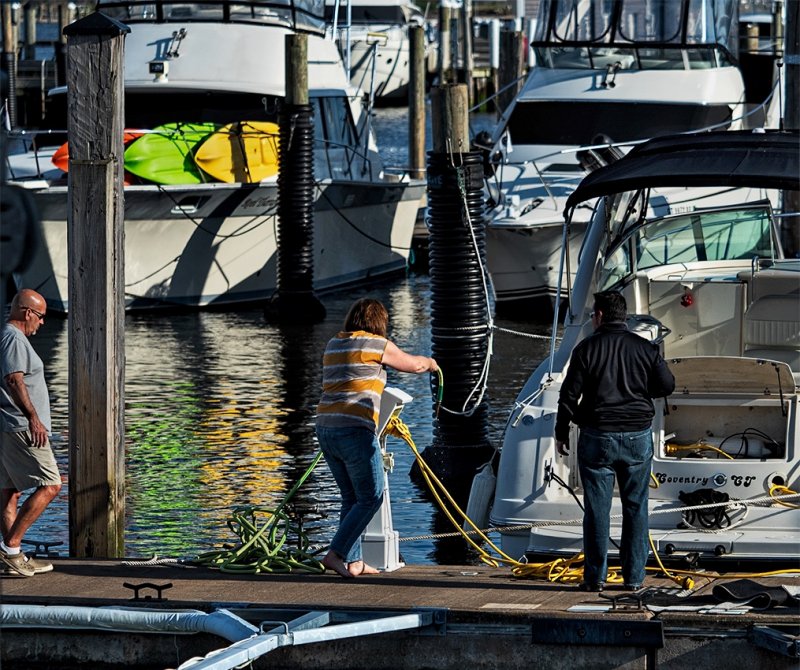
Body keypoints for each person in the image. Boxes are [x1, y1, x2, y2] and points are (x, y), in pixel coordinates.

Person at [555, 290, 675, 592]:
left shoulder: (586, 349)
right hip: (637, 437)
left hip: (597, 437)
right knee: (636, 508)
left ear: (598, 316)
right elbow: (666, 386)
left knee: (597, 510)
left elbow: (568, 396)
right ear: (625, 317)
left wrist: (560, 432)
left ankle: (594, 579)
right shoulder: (646, 349)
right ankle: (634, 579)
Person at [316, 298, 438, 578]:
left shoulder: (334, 343)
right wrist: (431, 363)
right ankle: (335, 554)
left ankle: (355, 562)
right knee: (372, 497)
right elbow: (413, 365)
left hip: (325, 428)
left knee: (351, 497)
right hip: (354, 430)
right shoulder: (374, 343)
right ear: (379, 323)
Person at [0, 289, 62, 577]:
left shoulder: (7, 336)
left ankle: (13, 557)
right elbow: (14, 380)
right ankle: (10, 545)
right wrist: (34, 418)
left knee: (8, 490)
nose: (42, 322)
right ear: (27, 313)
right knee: (51, 484)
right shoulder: (13, 338)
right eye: (41, 316)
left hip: (7, 426)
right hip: (22, 427)